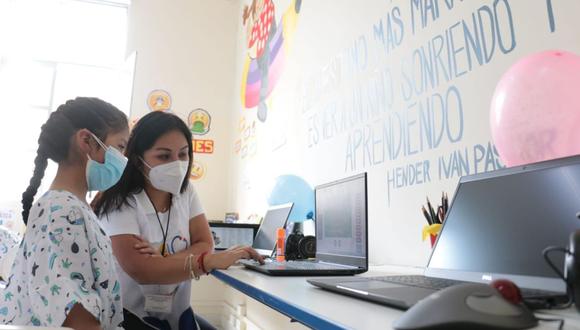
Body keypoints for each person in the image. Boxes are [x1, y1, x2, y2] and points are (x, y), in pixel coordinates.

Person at [93, 111, 263, 330]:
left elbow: (205, 243)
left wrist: (162, 262)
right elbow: (142, 271)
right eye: (164, 156)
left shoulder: (186, 192)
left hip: (176, 314)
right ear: (137, 160)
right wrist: (204, 262)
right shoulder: (119, 202)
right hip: (128, 317)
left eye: (183, 154)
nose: (177, 164)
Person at [1, 97, 129, 330]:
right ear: (87, 141)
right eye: (120, 146)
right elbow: (74, 314)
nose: (123, 158)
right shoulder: (60, 212)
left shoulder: (73, 207)